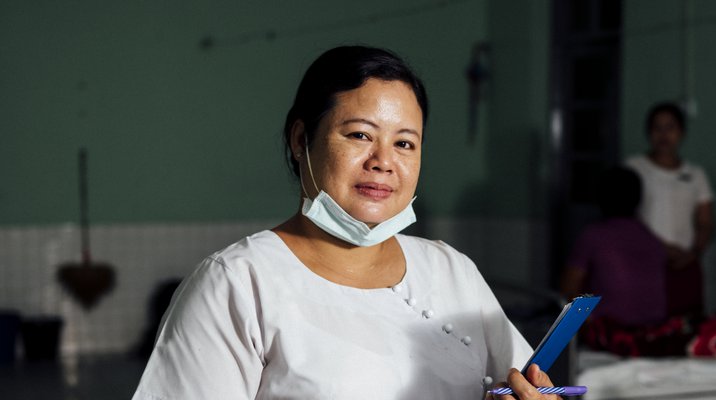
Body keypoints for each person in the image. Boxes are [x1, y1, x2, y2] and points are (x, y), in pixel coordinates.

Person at [132, 46, 558, 400]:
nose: (383, 162)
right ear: (301, 140)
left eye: (405, 143)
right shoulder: (238, 284)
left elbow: (525, 384)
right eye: (359, 135)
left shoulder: (450, 270)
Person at [626, 102, 714, 316]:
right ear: (648, 132)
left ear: (681, 133)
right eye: (657, 128)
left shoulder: (696, 174)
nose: (663, 135)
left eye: (670, 128)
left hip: (685, 265)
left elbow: (705, 222)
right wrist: (660, 248)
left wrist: (693, 253)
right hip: (646, 263)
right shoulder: (634, 168)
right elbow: (628, 217)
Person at [560, 166, 667, 326]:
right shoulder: (651, 239)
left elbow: (568, 290)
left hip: (612, 332)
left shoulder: (593, 235)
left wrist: (585, 326)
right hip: (654, 331)